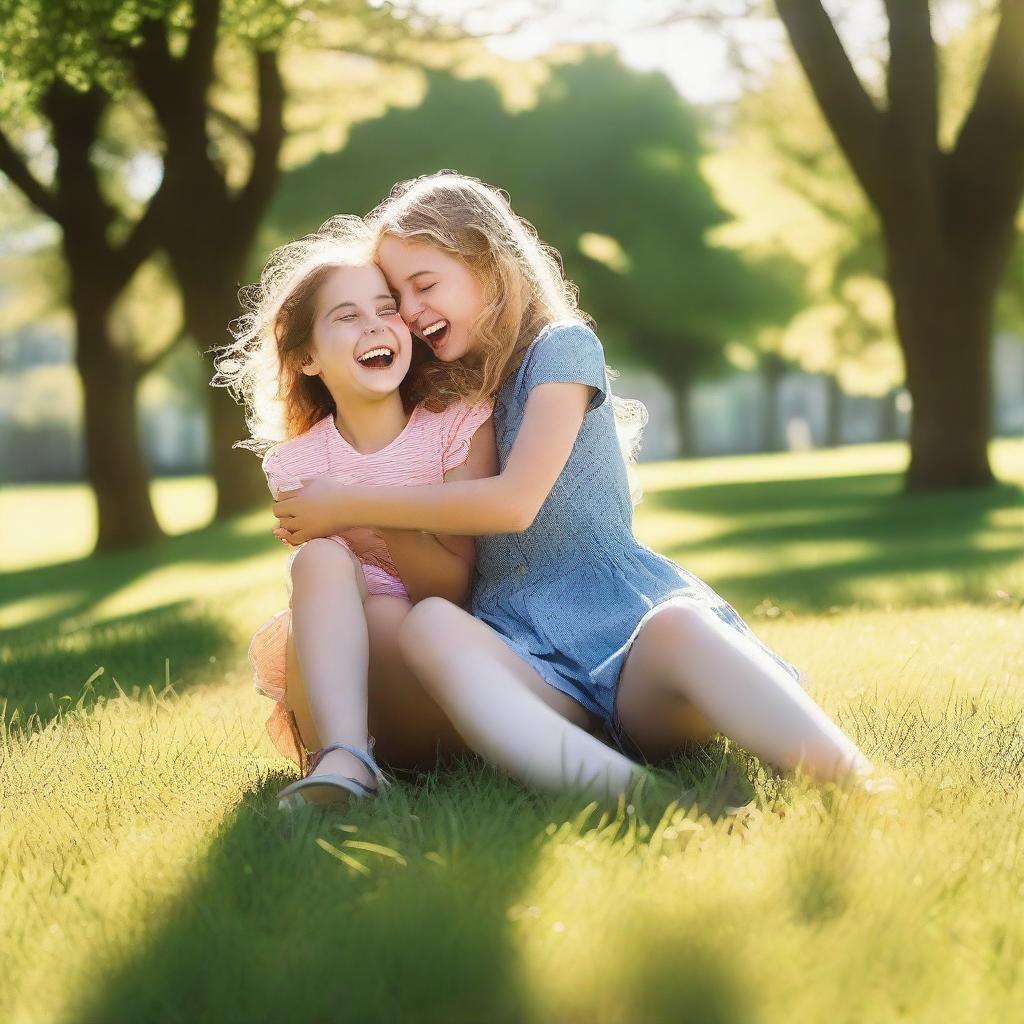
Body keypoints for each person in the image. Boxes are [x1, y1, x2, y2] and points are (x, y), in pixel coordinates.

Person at [272, 171, 889, 805]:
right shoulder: (456, 396)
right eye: (399, 295)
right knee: (429, 624)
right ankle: (639, 801)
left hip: (624, 641)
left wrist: (347, 503)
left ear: (490, 265)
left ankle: (858, 785)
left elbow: (513, 505)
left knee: (679, 623)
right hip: (527, 659)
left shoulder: (561, 350)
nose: (410, 310)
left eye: (424, 285)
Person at [213, 214, 495, 810]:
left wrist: (367, 514)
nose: (377, 326)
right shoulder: (299, 466)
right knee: (317, 560)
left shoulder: (454, 427)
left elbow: (452, 590)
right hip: (343, 694)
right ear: (308, 356)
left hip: (437, 673)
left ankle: (354, 760)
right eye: (348, 317)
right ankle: (345, 758)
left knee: (392, 617)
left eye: (386, 308)